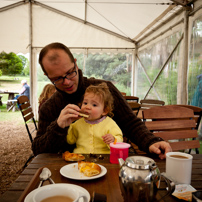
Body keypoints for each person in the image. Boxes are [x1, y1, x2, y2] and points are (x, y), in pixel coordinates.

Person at [32, 42, 171, 159]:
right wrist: (58, 126)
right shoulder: (48, 108)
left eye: (70, 72)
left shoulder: (104, 89)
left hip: (110, 165)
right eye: (57, 78)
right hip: (68, 171)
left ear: (75, 63)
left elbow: (131, 123)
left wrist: (151, 142)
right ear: (48, 77)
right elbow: (38, 150)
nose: (67, 82)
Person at [67, 82, 123, 154]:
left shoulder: (109, 123)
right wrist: (69, 125)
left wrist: (113, 140)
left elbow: (120, 139)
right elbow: (70, 140)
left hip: (103, 158)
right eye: (85, 103)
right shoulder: (77, 123)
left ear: (104, 110)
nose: (87, 107)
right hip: (81, 158)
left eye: (94, 105)